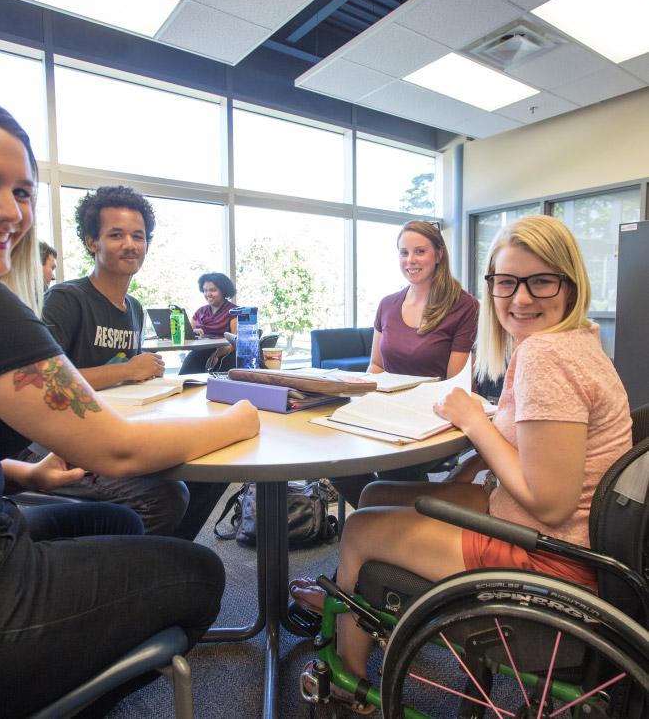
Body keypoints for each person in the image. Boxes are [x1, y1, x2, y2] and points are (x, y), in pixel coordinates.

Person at [0, 85, 259, 718]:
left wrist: (28, 472)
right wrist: (243, 415)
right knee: (199, 572)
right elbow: (117, 447)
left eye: (20, 192)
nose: (7, 212)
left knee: (119, 522)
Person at [292, 215, 632, 712]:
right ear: (491, 284)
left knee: (361, 528)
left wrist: (475, 422)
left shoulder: (546, 358)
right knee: (374, 495)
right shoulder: (575, 341)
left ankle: (350, 680)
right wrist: (477, 454)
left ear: (570, 282)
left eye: (541, 281)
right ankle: (355, 609)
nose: (520, 299)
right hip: (556, 532)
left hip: (551, 555)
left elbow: (553, 505)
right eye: (507, 282)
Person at [41, 187, 228, 539]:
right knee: (168, 496)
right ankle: (138, 571)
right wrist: (128, 370)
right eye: (116, 235)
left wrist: (143, 376)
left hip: (120, 428)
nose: (130, 244)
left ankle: (170, 557)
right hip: (65, 442)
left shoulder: (134, 308)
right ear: (91, 241)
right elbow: (49, 386)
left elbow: (128, 383)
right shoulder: (66, 299)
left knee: (215, 468)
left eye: (138, 236)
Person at [331, 220, 479, 507]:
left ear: (439, 254)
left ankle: (390, 521)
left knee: (397, 466)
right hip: (388, 409)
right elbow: (375, 365)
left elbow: (455, 383)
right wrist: (361, 404)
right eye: (403, 253)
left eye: (419, 251)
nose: (410, 260)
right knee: (336, 458)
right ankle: (381, 517)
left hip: (435, 414)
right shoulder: (388, 304)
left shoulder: (463, 305)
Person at [178, 271, 238, 374]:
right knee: (188, 369)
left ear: (223, 291)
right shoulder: (200, 311)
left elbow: (236, 343)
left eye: (213, 290)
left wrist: (217, 354)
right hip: (199, 353)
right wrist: (194, 331)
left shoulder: (234, 311)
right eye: (205, 290)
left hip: (224, 356)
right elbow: (188, 333)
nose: (208, 294)